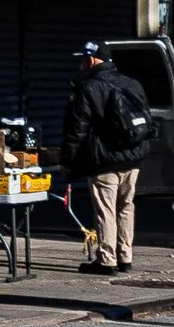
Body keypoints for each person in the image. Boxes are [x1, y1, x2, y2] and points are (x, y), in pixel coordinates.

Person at [61, 40, 154, 275]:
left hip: (105, 161)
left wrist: (67, 160)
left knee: (106, 210)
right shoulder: (131, 84)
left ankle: (106, 260)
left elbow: (77, 129)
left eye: (82, 60)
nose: (80, 65)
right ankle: (125, 256)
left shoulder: (88, 87)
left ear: (91, 60)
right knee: (126, 207)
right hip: (132, 158)